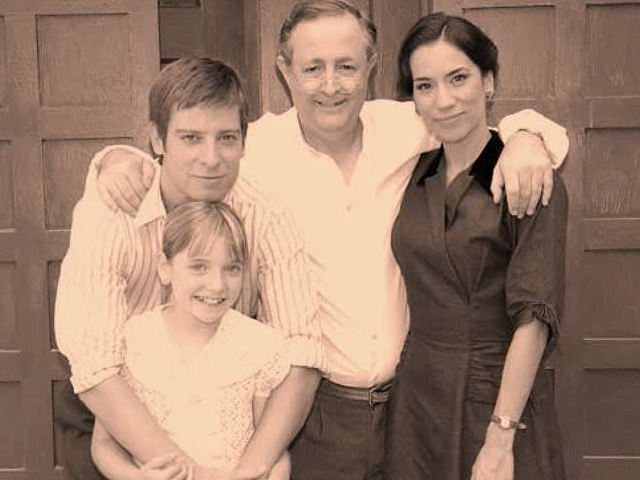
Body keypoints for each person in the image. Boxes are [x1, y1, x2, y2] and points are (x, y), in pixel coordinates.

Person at [90, 2, 569, 479]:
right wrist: (115, 161)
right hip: (317, 416)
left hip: (410, 404)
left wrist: (527, 137)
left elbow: (471, 121)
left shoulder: (408, 128)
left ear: (371, 67)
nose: (331, 85)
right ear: (285, 72)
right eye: (313, 68)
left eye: (346, 66)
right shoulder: (253, 151)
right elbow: (189, 160)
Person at [54, 57, 323, 480]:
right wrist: (190, 474)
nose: (211, 158)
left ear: (244, 141)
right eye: (191, 138)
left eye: (226, 138)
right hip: (115, 412)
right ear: (157, 139)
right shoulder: (112, 212)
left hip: (225, 411)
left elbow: (302, 355)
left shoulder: (268, 216)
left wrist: (248, 470)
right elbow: (95, 367)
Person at [386, 13, 566, 480]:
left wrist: (501, 436)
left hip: (498, 397)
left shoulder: (527, 175)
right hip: (417, 402)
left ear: (488, 82)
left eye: (458, 78)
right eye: (425, 86)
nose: (443, 100)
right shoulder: (413, 173)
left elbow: (535, 318)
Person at [91, 201, 291, 480]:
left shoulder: (258, 346)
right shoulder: (132, 341)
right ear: (165, 268)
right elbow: (103, 444)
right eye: (199, 267)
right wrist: (135, 477)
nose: (217, 284)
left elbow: (274, 450)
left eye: (232, 268)